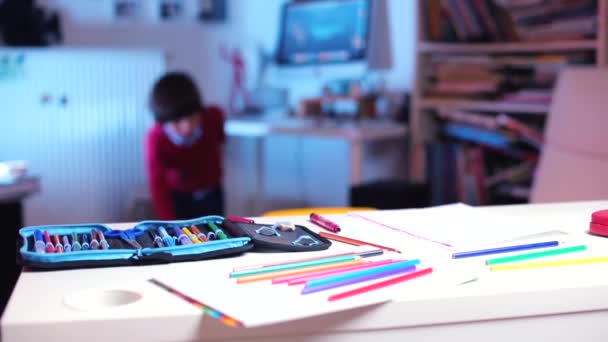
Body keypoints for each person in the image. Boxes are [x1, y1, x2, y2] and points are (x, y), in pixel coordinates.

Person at [145, 72, 225, 220]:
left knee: (216, 232)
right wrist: (168, 222)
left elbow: (220, 137)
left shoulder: (213, 117)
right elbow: (158, 185)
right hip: (179, 196)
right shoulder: (156, 138)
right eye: (177, 122)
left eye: (192, 118)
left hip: (211, 191)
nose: (187, 127)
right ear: (163, 121)